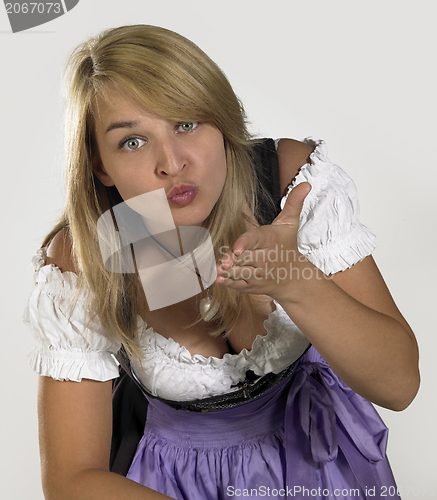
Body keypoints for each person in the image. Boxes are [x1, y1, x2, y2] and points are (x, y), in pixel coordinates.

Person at [24, 24, 420, 500]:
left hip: (325, 467)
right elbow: (71, 481)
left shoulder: (288, 183)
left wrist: (296, 282)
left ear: (221, 119)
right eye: (132, 141)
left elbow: (400, 386)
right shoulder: (89, 255)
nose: (171, 163)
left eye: (185, 123)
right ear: (99, 164)